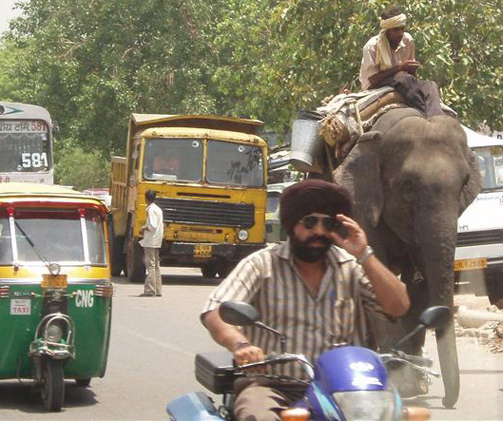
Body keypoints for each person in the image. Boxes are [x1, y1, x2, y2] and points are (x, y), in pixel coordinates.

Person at [201, 180, 410, 421]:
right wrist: (240, 345)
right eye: (310, 222)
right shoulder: (261, 264)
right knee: (259, 416)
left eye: (328, 224)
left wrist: (364, 254)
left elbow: (399, 306)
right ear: (291, 225)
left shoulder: (351, 266)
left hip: (347, 390)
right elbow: (215, 311)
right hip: (277, 387)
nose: (319, 232)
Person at [358, 6, 443, 117]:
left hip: (403, 82)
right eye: (396, 30)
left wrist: (411, 69)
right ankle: (424, 112)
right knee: (404, 79)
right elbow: (372, 80)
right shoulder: (372, 46)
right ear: (387, 31)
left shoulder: (408, 40)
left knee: (430, 85)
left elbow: (411, 75)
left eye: (402, 29)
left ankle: (437, 118)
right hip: (377, 84)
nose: (400, 33)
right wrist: (399, 67)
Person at [139, 190, 164, 297]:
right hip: (157, 240)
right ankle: (158, 290)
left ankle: (150, 290)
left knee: (150, 266)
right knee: (156, 266)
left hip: (150, 241)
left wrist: (143, 228)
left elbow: (152, 226)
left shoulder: (151, 210)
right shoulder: (158, 209)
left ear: (146, 199)